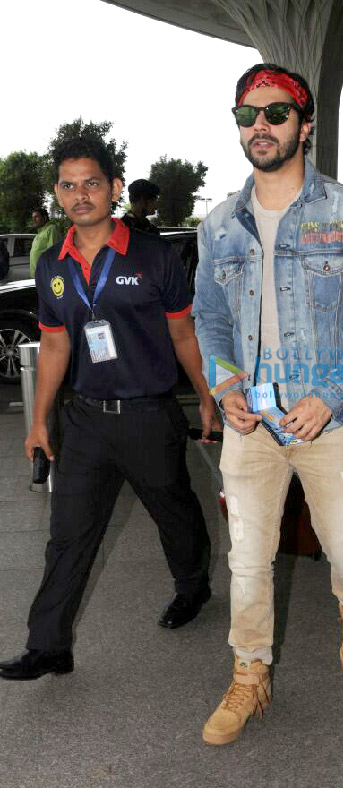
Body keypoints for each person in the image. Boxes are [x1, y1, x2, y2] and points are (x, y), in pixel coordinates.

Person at [193, 63, 343, 746]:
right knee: (247, 561)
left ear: (305, 126)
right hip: (250, 424)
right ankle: (249, 676)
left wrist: (330, 394)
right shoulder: (220, 223)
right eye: (246, 115)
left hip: (330, 420)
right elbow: (210, 319)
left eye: (276, 114)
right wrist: (224, 386)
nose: (260, 126)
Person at [0, 136, 218, 682]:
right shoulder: (53, 262)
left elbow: (183, 333)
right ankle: (49, 644)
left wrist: (210, 398)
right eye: (69, 186)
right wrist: (39, 422)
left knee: (176, 514)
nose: (81, 195)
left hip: (148, 415)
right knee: (68, 534)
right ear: (57, 194)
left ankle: (192, 587)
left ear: (114, 188)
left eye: (91, 183)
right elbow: (54, 345)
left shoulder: (152, 255)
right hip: (86, 420)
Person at [30, 207, 61, 276]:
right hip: (37, 274)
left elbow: (53, 253)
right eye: (33, 218)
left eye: (36, 217)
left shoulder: (52, 229)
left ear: (44, 218)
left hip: (45, 274)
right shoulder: (40, 232)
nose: (34, 220)